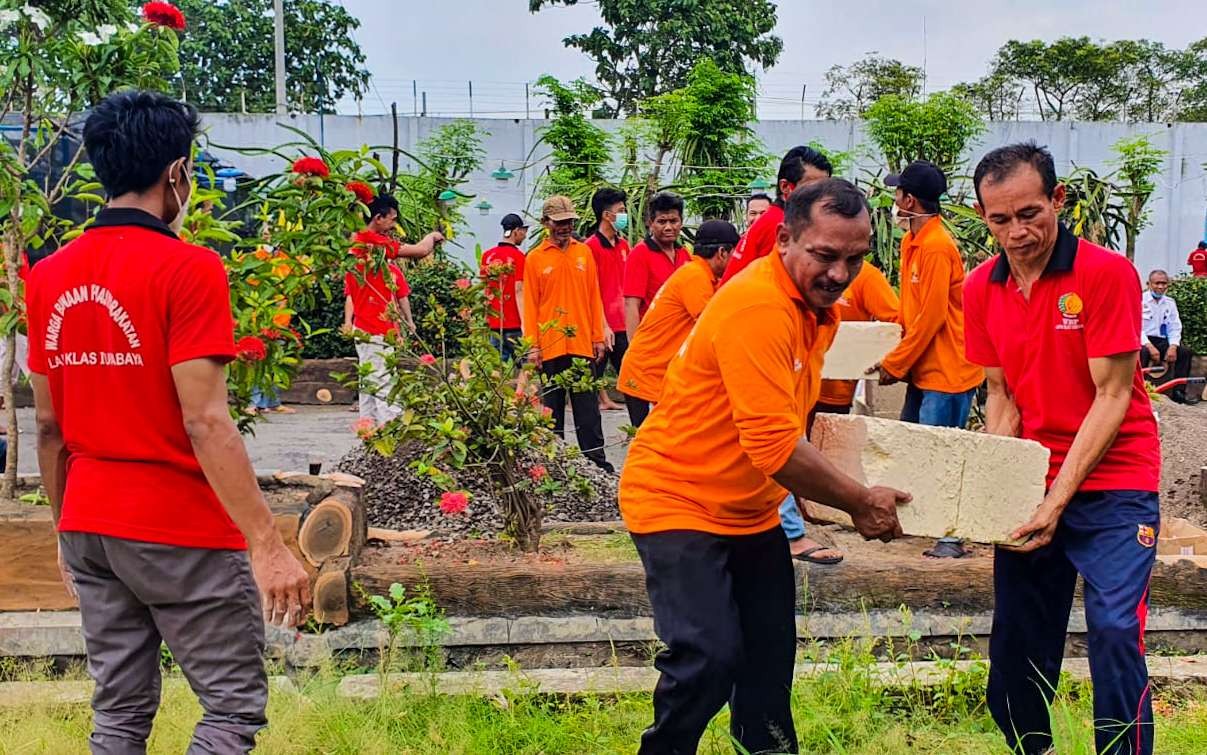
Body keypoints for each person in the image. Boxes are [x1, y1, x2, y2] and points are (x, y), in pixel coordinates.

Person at [26, 90, 310, 754]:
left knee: (119, 713)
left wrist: (67, 530)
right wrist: (267, 544)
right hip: (178, 529)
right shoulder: (188, 268)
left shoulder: (48, 275)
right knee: (231, 710)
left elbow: (48, 426)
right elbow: (205, 420)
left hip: (91, 525)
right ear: (177, 173)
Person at [619, 179, 909, 754]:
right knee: (707, 655)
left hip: (749, 512)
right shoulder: (760, 306)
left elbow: (786, 421)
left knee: (767, 661)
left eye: (855, 258)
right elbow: (774, 445)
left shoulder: (813, 308)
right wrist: (858, 500)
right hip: (676, 498)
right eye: (825, 255)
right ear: (784, 240)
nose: (839, 273)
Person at [965, 142, 1161, 755]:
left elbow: (1112, 396)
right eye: (1000, 220)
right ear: (983, 218)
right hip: (1031, 477)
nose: (1017, 232)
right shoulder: (979, 288)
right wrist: (988, 493)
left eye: (1030, 213)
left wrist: (1057, 500)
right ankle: (1033, 748)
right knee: (1019, 643)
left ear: (1058, 199)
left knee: (1112, 628)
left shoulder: (1104, 274)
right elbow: (1002, 397)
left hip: (1116, 480)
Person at [872, 160, 983, 559]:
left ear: (910, 199)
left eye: (897, 193)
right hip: (924, 368)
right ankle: (922, 525)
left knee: (944, 453)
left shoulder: (937, 247)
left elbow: (933, 316)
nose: (894, 199)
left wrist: (894, 364)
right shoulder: (911, 242)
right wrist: (888, 349)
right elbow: (910, 310)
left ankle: (951, 537)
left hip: (949, 370)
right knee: (914, 447)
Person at [779, 260, 900, 565]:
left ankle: (813, 510)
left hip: (837, 388)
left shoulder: (869, 278)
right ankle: (797, 518)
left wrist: (880, 359)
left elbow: (894, 321)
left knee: (823, 449)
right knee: (792, 447)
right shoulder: (789, 285)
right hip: (801, 387)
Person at [617, 220, 738, 428]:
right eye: (734, 254)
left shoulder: (698, 273)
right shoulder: (696, 277)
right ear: (722, 252)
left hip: (656, 372)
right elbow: (713, 330)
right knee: (657, 444)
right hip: (649, 372)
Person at [524, 195, 613, 473]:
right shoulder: (535, 259)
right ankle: (554, 464)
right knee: (552, 411)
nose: (565, 227)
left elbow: (593, 297)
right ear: (546, 223)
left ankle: (596, 464)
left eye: (569, 222)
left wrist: (598, 336)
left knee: (588, 410)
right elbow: (530, 306)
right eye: (559, 222)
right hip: (550, 346)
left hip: (582, 344)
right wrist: (533, 347)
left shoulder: (583, 252)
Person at [343, 194, 443, 424]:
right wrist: (433, 236)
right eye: (391, 219)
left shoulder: (356, 241)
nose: (394, 225)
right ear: (378, 218)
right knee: (384, 378)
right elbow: (420, 251)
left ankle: (368, 428)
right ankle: (392, 428)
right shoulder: (373, 242)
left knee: (368, 380)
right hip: (376, 325)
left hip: (364, 325)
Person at [720, 145, 833, 286]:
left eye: (824, 188)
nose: (820, 196)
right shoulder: (779, 224)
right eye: (812, 188)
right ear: (785, 187)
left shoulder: (777, 218)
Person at [584, 187, 631, 411]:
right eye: (620, 210)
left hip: (624, 325)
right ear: (606, 215)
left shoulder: (624, 246)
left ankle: (638, 432)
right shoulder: (589, 248)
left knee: (632, 383)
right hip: (600, 329)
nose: (624, 215)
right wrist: (601, 326)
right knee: (588, 384)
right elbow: (589, 291)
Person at [623, 192, 689, 340]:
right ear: (650, 223)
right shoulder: (639, 254)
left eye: (674, 221)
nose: (668, 227)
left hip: (680, 341)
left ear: (681, 222)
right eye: (661, 221)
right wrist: (634, 347)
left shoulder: (684, 255)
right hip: (652, 341)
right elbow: (631, 305)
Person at [480, 212, 529, 362]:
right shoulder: (519, 258)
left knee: (496, 366)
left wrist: (484, 318)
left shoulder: (487, 256)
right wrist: (525, 323)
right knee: (525, 366)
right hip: (514, 323)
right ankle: (522, 387)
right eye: (524, 232)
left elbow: (484, 289)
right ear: (516, 231)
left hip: (494, 324)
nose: (525, 236)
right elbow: (519, 291)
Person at [1140, 269, 1193, 403]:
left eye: (1164, 283)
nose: (1161, 287)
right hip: (1143, 340)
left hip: (1162, 340)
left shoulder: (1170, 302)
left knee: (1184, 352)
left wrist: (1174, 346)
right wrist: (1149, 346)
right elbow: (1136, 327)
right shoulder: (1139, 300)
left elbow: (1175, 326)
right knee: (1143, 353)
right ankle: (1140, 391)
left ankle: (1178, 392)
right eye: (1157, 283)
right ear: (1149, 284)